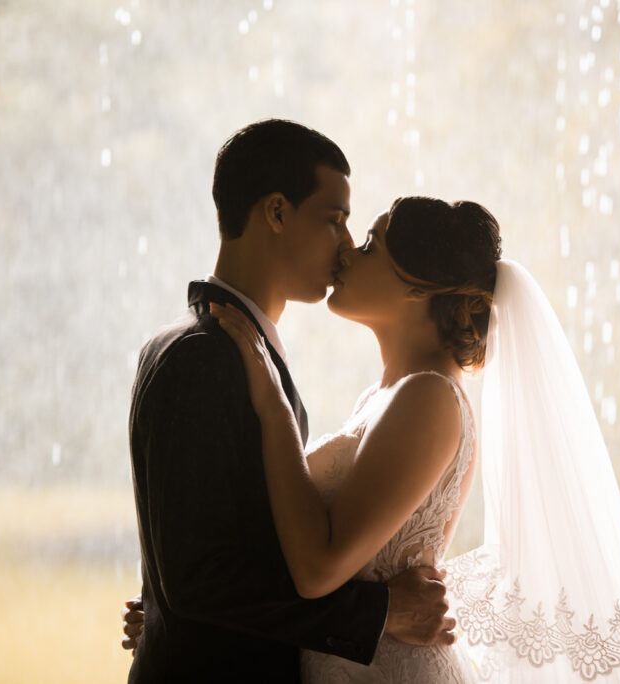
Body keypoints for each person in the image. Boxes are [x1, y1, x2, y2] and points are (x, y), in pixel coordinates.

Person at [203, 194, 620, 682]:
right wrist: (192, 605)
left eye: (370, 244)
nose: (346, 251)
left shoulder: (428, 398)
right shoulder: (384, 396)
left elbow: (318, 569)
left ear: (416, 287)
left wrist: (273, 405)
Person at [123, 119, 455, 683]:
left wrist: (163, 605)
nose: (347, 248)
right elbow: (200, 579)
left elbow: (214, 547)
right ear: (276, 213)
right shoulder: (200, 356)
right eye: (336, 221)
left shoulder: (229, 352)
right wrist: (381, 612)